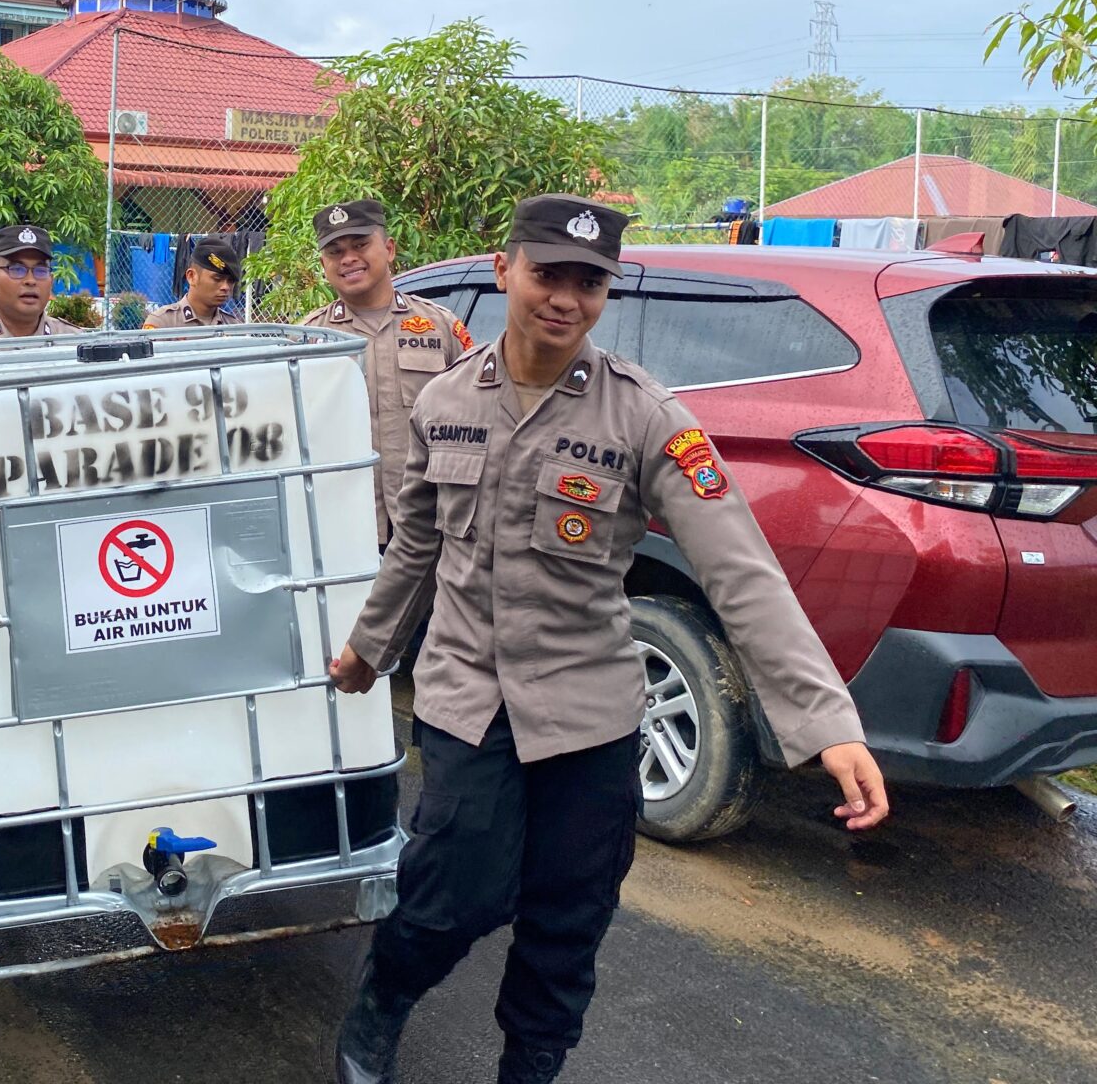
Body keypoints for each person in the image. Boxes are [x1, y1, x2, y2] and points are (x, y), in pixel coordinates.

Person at [327, 194, 890, 1084]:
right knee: (451, 897)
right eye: (547, 274)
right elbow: (417, 546)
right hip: (468, 701)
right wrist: (368, 648)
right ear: (505, 269)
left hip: (589, 712)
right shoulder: (445, 400)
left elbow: (741, 571)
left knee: (568, 916)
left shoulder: (645, 417)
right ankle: (379, 1005)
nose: (566, 298)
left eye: (588, 283)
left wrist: (828, 723)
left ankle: (530, 1067)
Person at [300, 199, 473, 547]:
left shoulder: (440, 327)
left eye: (360, 245)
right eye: (335, 252)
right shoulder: (305, 339)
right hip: (342, 522)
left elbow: (478, 414)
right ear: (323, 265)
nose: (348, 258)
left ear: (389, 249)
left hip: (430, 520)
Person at [142, 237, 241, 328]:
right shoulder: (163, 323)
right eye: (217, 279)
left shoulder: (233, 326)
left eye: (231, 281)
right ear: (191, 276)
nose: (226, 287)